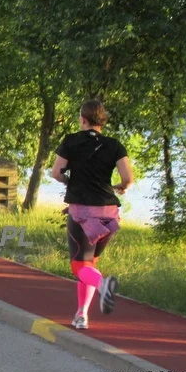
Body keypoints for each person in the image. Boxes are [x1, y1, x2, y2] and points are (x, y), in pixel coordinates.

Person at [51, 99, 134, 330]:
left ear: (83, 119)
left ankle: (103, 285)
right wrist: (121, 187)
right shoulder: (114, 144)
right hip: (109, 212)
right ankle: (81, 315)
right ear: (102, 121)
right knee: (89, 264)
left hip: (83, 213)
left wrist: (68, 180)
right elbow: (128, 178)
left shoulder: (71, 141)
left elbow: (56, 172)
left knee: (79, 267)